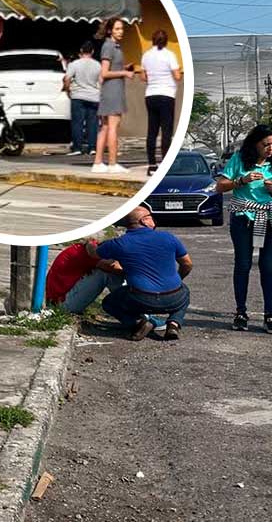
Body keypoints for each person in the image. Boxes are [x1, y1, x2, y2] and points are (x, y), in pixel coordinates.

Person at [86, 206, 192, 340]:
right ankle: (173, 324)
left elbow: (93, 254)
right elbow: (187, 264)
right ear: (144, 220)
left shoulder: (118, 243)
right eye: (150, 216)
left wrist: (90, 243)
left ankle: (137, 323)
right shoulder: (168, 237)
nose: (153, 219)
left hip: (141, 299)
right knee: (185, 292)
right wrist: (178, 279)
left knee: (109, 303)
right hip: (173, 298)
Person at [216, 124, 272, 332]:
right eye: (265, 144)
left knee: (269, 267)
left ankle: (269, 314)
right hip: (243, 218)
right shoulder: (239, 160)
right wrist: (241, 180)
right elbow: (220, 186)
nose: (270, 149)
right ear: (255, 144)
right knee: (243, 264)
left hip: (269, 218)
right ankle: (241, 311)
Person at [92, 17, 134, 174]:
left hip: (113, 89)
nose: (120, 31)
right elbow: (104, 72)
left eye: (122, 28)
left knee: (105, 128)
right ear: (110, 30)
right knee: (112, 127)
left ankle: (98, 162)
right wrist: (124, 72)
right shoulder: (109, 47)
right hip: (112, 91)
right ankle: (112, 163)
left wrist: (123, 67)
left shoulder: (115, 46)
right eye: (117, 29)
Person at [140, 30, 183, 175]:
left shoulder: (146, 55)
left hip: (151, 95)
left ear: (152, 40)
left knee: (152, 131)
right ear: (166, 41)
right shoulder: (169, 55)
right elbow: (177, 75)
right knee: (166, 131)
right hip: (167, 95)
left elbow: (143, 77)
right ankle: (165, 163)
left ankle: (151, 164)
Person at [45, 239, 123, 314]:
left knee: (108, 271)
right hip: (63, 304)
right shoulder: (90, 254)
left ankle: (127, 303)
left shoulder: (84, 248)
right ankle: (128, 303)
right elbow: (114, 267)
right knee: (106, 273)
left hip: (58, 299)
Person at [64, 41, 102, 157]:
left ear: (81, 51)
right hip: (94, 96)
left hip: (78, 96)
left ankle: (77, 148)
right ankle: (92, 148)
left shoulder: (74, 64)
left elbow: (67, 79)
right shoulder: (98, 65)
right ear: (92, 52)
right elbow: (101, 81)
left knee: (77, 123)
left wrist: (68, 91)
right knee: (93, 124)